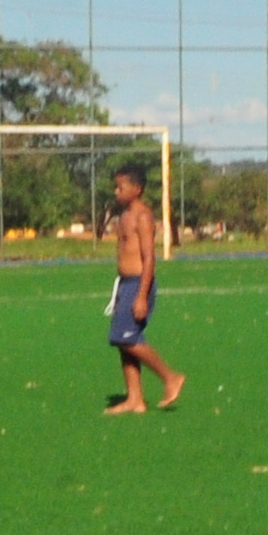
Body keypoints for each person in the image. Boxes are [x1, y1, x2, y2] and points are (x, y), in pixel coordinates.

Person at [102, 163, 184, 414]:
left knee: (125, 337)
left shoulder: (143, 216)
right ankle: (135, 399)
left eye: (121, 187)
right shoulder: (124, 216)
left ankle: (170, 377)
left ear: (137, 189)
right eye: (115, 187)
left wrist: (141, 297)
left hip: (139, 284)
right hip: (125, 284)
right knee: (122, 340)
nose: (116, 192)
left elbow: (149, 258)